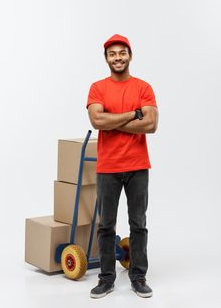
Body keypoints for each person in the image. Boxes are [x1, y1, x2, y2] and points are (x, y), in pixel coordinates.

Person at [86, 34, 158, 299]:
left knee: (138, 223)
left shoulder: (143, 87)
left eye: (122, 53)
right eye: (112, 54)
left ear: (130, 55)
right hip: (108, 167)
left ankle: (138, 276)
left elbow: (150, 124)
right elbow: (97, 121)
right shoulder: (97, 87)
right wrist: (132, 114)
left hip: (138, 165)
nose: (118, 57)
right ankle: (106, 278)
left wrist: (111, 120)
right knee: (107, 225)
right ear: (106, 58)